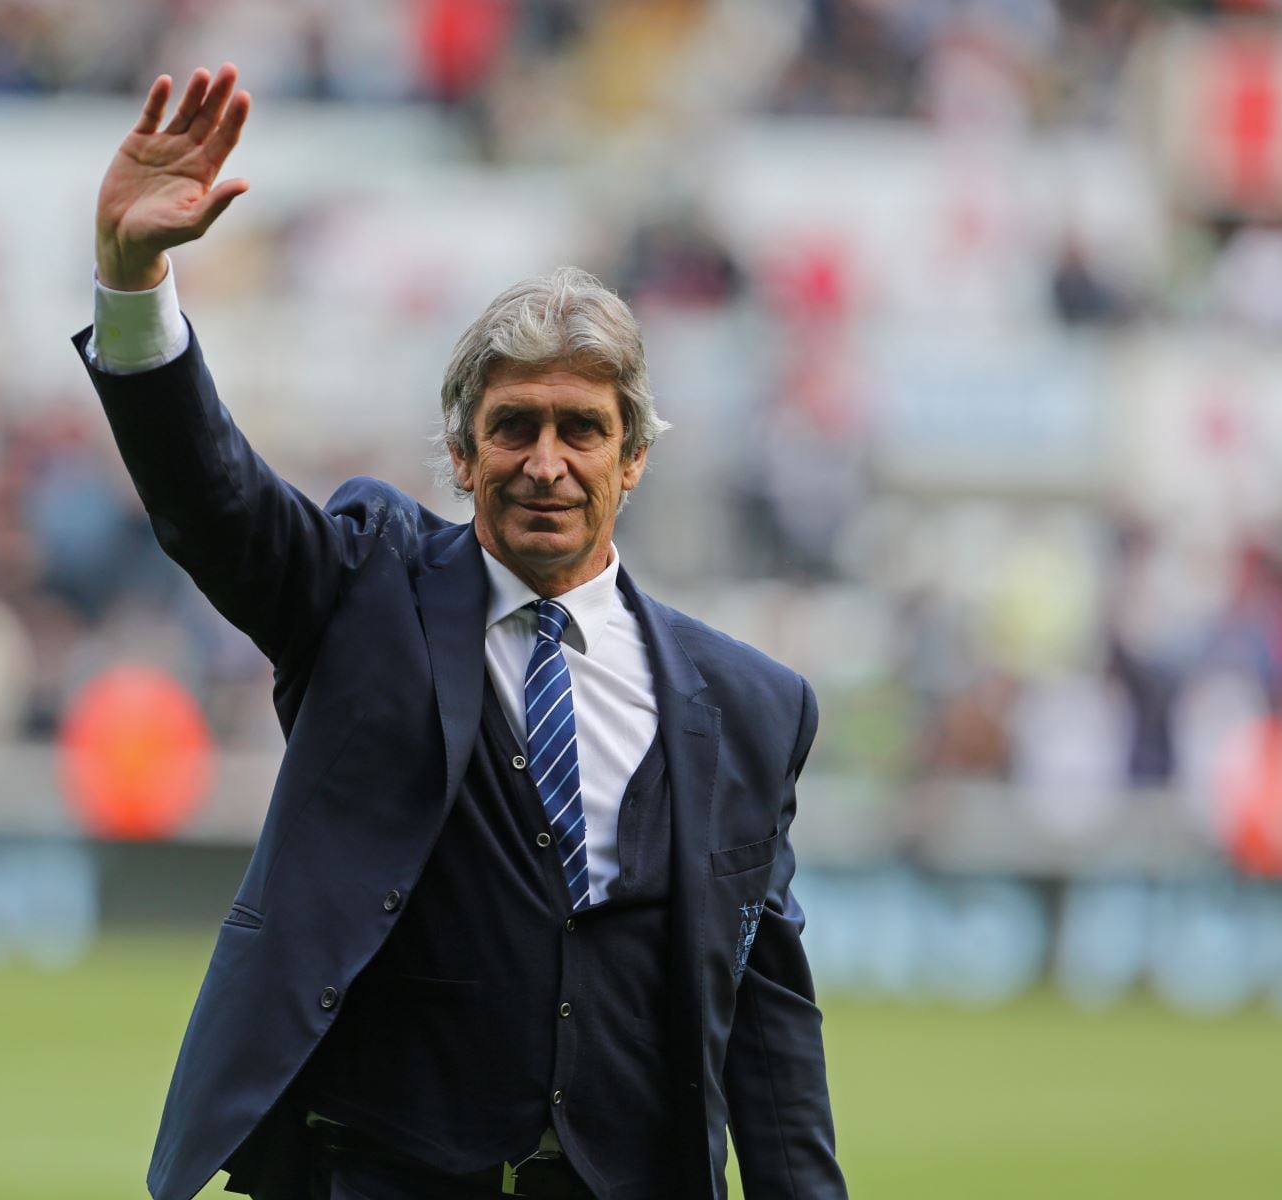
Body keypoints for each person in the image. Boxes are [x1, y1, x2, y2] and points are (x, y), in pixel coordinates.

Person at [75, 64, 846, 1200]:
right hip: (386, 1172)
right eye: (513, 426)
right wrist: (133, 280)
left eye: (581, 429)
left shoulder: (750, 704)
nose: (546, 461)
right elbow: (215, 501)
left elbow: (771, 1023)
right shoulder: (364, 587)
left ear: (632, 458)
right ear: (462, 453)